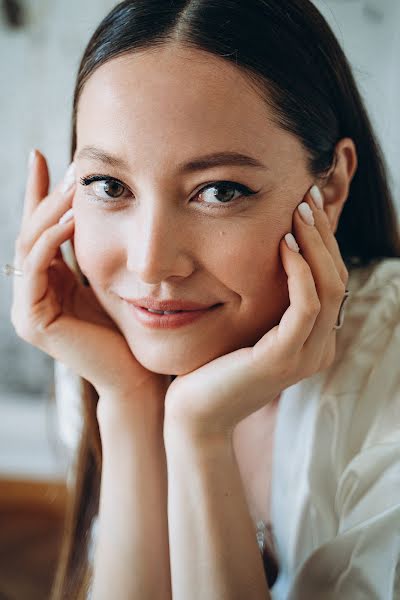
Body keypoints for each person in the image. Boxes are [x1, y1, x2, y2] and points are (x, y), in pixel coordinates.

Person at [5, 0, 400, 598]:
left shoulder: (386, 392)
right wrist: (131, 403)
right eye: (109, 186)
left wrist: (200, 431)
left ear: (332, 183)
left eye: (219, 190)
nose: (149, 263)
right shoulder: (108, 350)